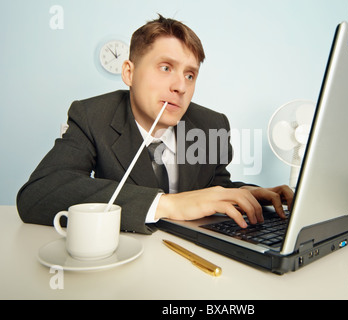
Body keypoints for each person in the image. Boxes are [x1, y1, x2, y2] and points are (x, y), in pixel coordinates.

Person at [16, 15, 293, 234]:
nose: (180, 86)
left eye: (190, 75)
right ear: (129, 72)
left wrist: (245, 194)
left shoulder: (211, 125)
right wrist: (166, 205)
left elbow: (214, 186)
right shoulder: (92, 116)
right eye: (165, 68)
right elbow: (39, 194)